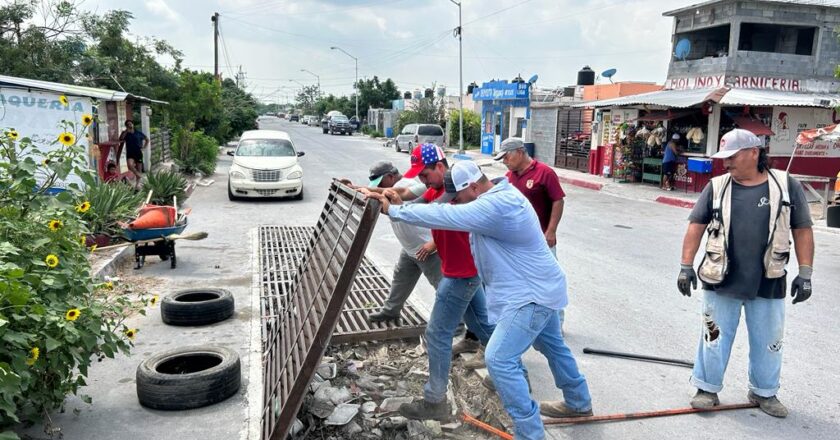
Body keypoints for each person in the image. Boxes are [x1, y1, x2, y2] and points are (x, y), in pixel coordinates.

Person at [371, 160, 593, 439]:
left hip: (531, 296)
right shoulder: (497, 193)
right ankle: (578, 402)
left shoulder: (496, 206)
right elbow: (440, 206)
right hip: (541, 287)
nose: (457, 203)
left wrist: (396, 210)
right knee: (552, 346)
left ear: (474, 187)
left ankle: (530, 433)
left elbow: (446, 217)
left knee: (499, 358)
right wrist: (397, 199)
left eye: (459, 198)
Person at [677, 129, 814, 418]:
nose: (726, 163)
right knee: (713, 336)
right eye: (723, 158)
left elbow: (802, 229)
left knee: (769, 341)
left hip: (769, 278)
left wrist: (805, 272)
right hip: (720, 278)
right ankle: (706, 388)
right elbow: (695, 227)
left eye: (732, 157)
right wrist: (686, 266)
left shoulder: (786, 186)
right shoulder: (716, 187)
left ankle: (765, 392)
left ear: (754, 152)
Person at [365, 144, 495, 421]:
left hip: (460, 275)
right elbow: (405, 194)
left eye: (425, 175)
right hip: (462, 271)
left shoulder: (456, 191)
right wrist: (371, 191)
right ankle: (508, 374)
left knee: (437, 335)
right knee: (484, 326)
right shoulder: (433, 189)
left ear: (440, 166)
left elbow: (432, 212)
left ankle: (435, 402)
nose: (421, 181)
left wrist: (397, 209)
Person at [494, 137, 568, 343]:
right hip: (517, 244)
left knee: (549, 282)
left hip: (542, 241)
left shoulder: (544, 173)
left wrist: (551, 230)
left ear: (519, 152)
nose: (504, 161)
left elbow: (557, 200)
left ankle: (557, 325)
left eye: (506, 157)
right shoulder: (509, 177)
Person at [362, 161, 443, 323]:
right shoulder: (393, 190)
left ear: (391, 177)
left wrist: (434, 243)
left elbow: (438, 218)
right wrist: (355, 188)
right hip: (410, 248)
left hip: (427, 249)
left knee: (444, 289)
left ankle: (458, 325)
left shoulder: (408, 186)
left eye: (380, 183)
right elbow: (391, 211)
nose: (424, 180)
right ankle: (390, 311)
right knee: (401, 278)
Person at [119, 120, 148, 190]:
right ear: (126, 126)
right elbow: (121, 138)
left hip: (138, 152)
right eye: (128, 124)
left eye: (130, 124)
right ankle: (137, 174)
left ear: (133, 124)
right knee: (129, 165)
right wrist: (126, 131)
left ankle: (137, 184)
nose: (130, 125)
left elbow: (147, 139)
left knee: (139, 168)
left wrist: (144, 148)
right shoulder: (125, 133)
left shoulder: (138, 133)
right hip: (130, 153)